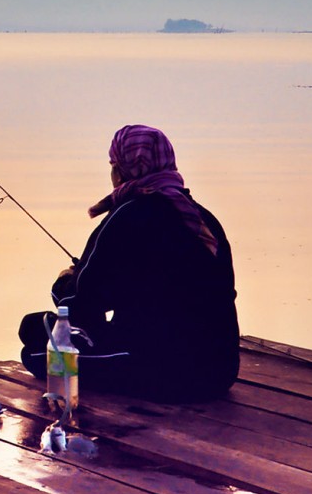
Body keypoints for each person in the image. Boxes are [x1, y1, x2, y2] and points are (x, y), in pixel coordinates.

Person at [18, 124, 239, 402]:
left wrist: (64, 280)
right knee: (56, 334)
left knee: (35, 344)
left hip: (168, 371)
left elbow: (78, 305)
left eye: (113, 165)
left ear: (123, 170)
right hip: (221, 370)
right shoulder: (203, 219)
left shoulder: (126, 218)